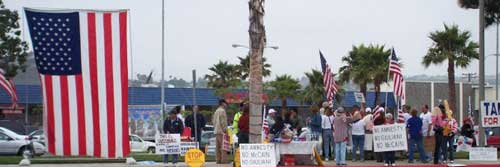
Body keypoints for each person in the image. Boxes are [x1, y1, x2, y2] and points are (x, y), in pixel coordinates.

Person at [212, 99, 228, 164]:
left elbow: (213, 121)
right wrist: (225, 130)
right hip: (221, 131)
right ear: (222, 103)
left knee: (217, 147)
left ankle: (218, 160)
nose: (226, 105)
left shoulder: (216, 111)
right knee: (224, 147)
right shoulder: (222, 111)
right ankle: (223, 161)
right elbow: (223, 122)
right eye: (225, 103)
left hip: (216, 131)